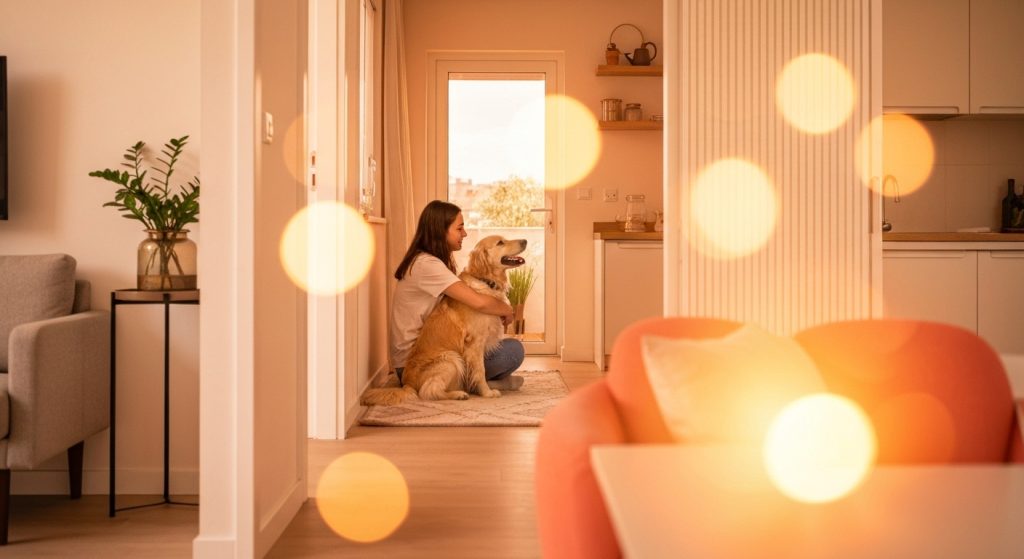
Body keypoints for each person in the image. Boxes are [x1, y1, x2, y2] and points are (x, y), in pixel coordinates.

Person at [389, 200, 526, 390]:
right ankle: (480, 384)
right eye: (459, 228)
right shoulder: (426, 265)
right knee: (512, 352)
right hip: (421, 365)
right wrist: (507, 309)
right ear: (440, 230)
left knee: (506, 348)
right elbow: (478, 302)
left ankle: (474, 382)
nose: (465, 233)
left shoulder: (431, 261)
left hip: (437, 351)